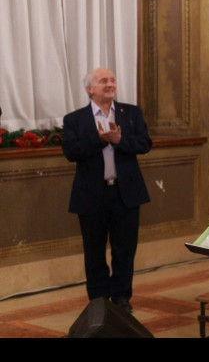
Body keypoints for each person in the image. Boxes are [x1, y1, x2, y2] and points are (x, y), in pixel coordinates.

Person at [64, 67, 152, 314]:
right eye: (103, 81)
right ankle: (98, 299)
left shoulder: (131, 113)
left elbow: (145, 144)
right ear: (89, 89)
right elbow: (71, 152)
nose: (110, 84)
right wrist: (102, 139)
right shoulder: (75, 119)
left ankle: (122, 297)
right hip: (91, 195)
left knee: (125, 250)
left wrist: (119, 141)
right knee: (94, 251)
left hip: (126, 194)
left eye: (112, 79)